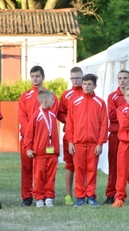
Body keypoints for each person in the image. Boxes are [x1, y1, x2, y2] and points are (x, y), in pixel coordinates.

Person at [19, 66, 58, 206]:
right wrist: (30, 138)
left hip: (45, 142)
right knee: (27, 168)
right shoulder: (25, 96)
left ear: (43, 77)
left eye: (38, 76)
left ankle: (44, 196)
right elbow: (22, 118)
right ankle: (27, 196)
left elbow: (51, 118)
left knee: (44, 170)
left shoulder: (50, 96)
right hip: (29, 139)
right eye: (32, 76)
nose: (35, 79)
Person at [66, 73, 108, 207]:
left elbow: (103, 124)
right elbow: (70, 124)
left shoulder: (100, 103)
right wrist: (70, 142)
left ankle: (91, 196)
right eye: (84, 84)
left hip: (93, 144)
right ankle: (79, 197)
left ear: (95, 86)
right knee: (79, 170)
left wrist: (100, 143)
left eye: (89, 84)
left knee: (91, 170)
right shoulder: (74, 102)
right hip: (78, 143)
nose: (86, 86)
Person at [103, 70, 129, 205]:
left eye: (125, 78)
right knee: (115, 166)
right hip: (116, 135)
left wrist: (125, 117)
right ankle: (111, 194)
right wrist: (126, 115)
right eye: (120, 78)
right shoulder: (112, 96)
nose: (123, 80)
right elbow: (112, 116)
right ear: (117, 80)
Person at [57, 67, 83, 205]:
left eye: (78, 77)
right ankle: (68, 195)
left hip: (84, 135)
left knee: (83, 165)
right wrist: (69, 119)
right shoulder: (66, 95)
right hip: (70, 135)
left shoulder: (87, 92)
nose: (76, 80)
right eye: (73, 78)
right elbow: (60, 113)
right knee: (70, 165)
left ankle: (83, 194)